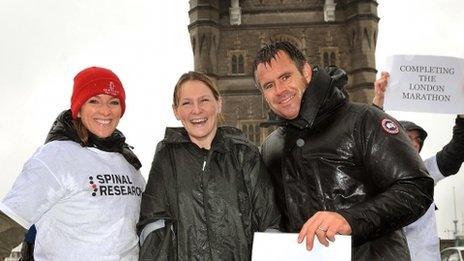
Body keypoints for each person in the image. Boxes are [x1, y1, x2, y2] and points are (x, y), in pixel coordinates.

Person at [252, 41, 434, 260]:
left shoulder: (364, 120)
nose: (280, 90)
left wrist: (350, 220)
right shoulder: (271, 148)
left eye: (285, 77)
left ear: (306, 72)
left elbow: (416, 188)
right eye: (269, 85)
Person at [0, 66, 145, 260]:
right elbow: (9, 225)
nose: (105, 110)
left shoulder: (128, 163)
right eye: (94, 101)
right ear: (78, 108)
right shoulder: (56, 156)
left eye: (114, 102)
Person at [137, 71, 280, 261]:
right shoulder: (166, 155)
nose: (196, 110)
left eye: (204, 100)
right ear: (176, 110)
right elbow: (153, 225)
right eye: (186, 103)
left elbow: (270, 222)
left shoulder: (245, 153)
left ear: (218, 104)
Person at [374, 72, 464, 261]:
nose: (414, 143)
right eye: (408, 137)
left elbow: (455, 153)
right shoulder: (376, 171)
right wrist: (378, 100)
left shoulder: (426, 170)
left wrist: (462, 114)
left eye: (418, 139)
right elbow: (370, 138)